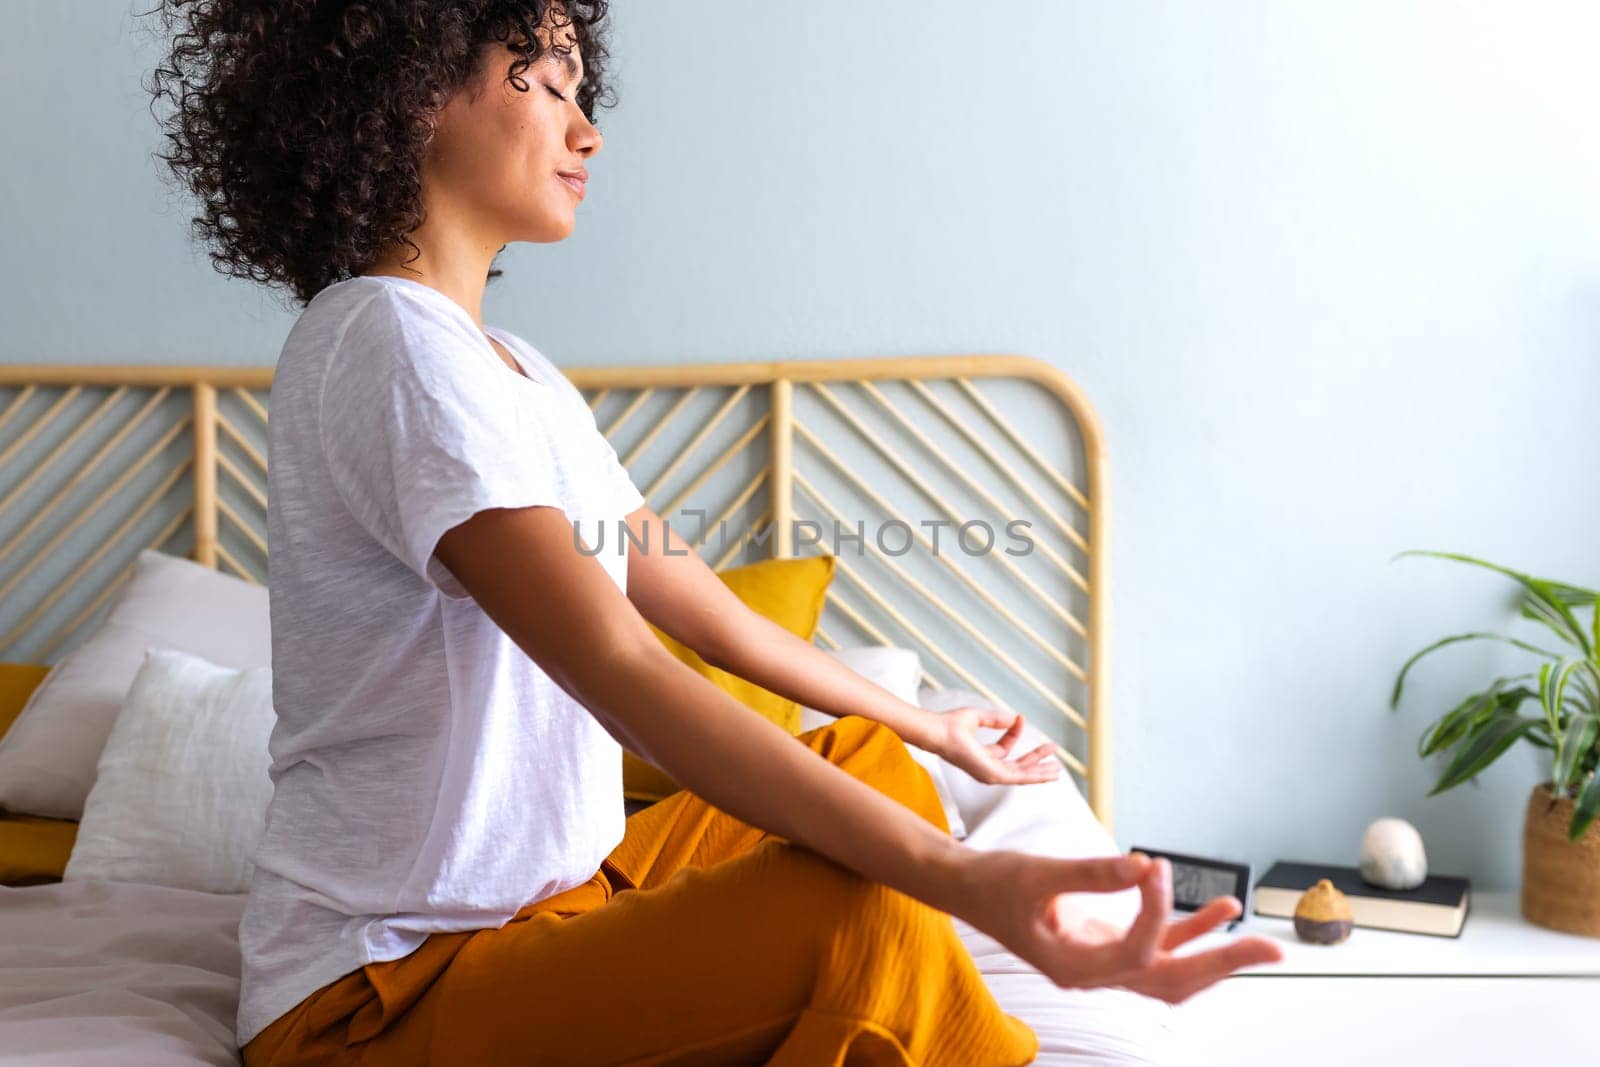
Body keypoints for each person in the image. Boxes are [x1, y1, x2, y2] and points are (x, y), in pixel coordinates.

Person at [147, 1, 1282, 1063]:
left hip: (560, 899)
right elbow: (621, 662)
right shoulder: (387, 345)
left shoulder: (514, 373)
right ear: (407, 96)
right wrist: (961, 878)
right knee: (846, 910)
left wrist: (931, 728)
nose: (586, 130)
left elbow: (709, 617)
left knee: (866, 767)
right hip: (381, 993)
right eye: (543, 82)